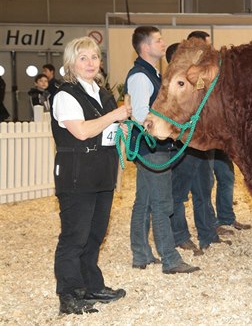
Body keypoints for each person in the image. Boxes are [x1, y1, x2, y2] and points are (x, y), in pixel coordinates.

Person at [51, 36, 130, 315]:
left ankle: (91, 285)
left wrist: (122, 128)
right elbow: (82, 131)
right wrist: (114, 117)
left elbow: (107, 131)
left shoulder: (103, 94)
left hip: (102, 172)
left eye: (94, 57)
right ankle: (69, 293)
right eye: (82, 58)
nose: (90, 63)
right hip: (77, 174)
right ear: (71, 63)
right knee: (75, 237)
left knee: (95, 234)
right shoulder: (65, 94)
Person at [125, 26, 199, 274]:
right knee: (162, 203)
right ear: (145, 47)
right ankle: (170, 258)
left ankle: (141, 253)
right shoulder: (140, 76)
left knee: (144, 201)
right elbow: (138, 113)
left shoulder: (154, 75)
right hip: (151, 146)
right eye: (158, 40)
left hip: (152, 146)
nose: (162, 43)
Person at [165, 42, 229, 254]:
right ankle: (180, 236)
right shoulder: (171, 87)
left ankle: (207, 233)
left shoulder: (196, 86)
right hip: (182, 146)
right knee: (179, 193)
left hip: (200, 144)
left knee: (204, 189)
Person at [186, 31, 251, 234]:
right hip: (203, 135)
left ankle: (227, 217)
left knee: (226, 176)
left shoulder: (214, 71)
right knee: (206, 182)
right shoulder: (190, 73)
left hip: (220, 132)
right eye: (207, 45)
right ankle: (210, 224)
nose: (212, 49)